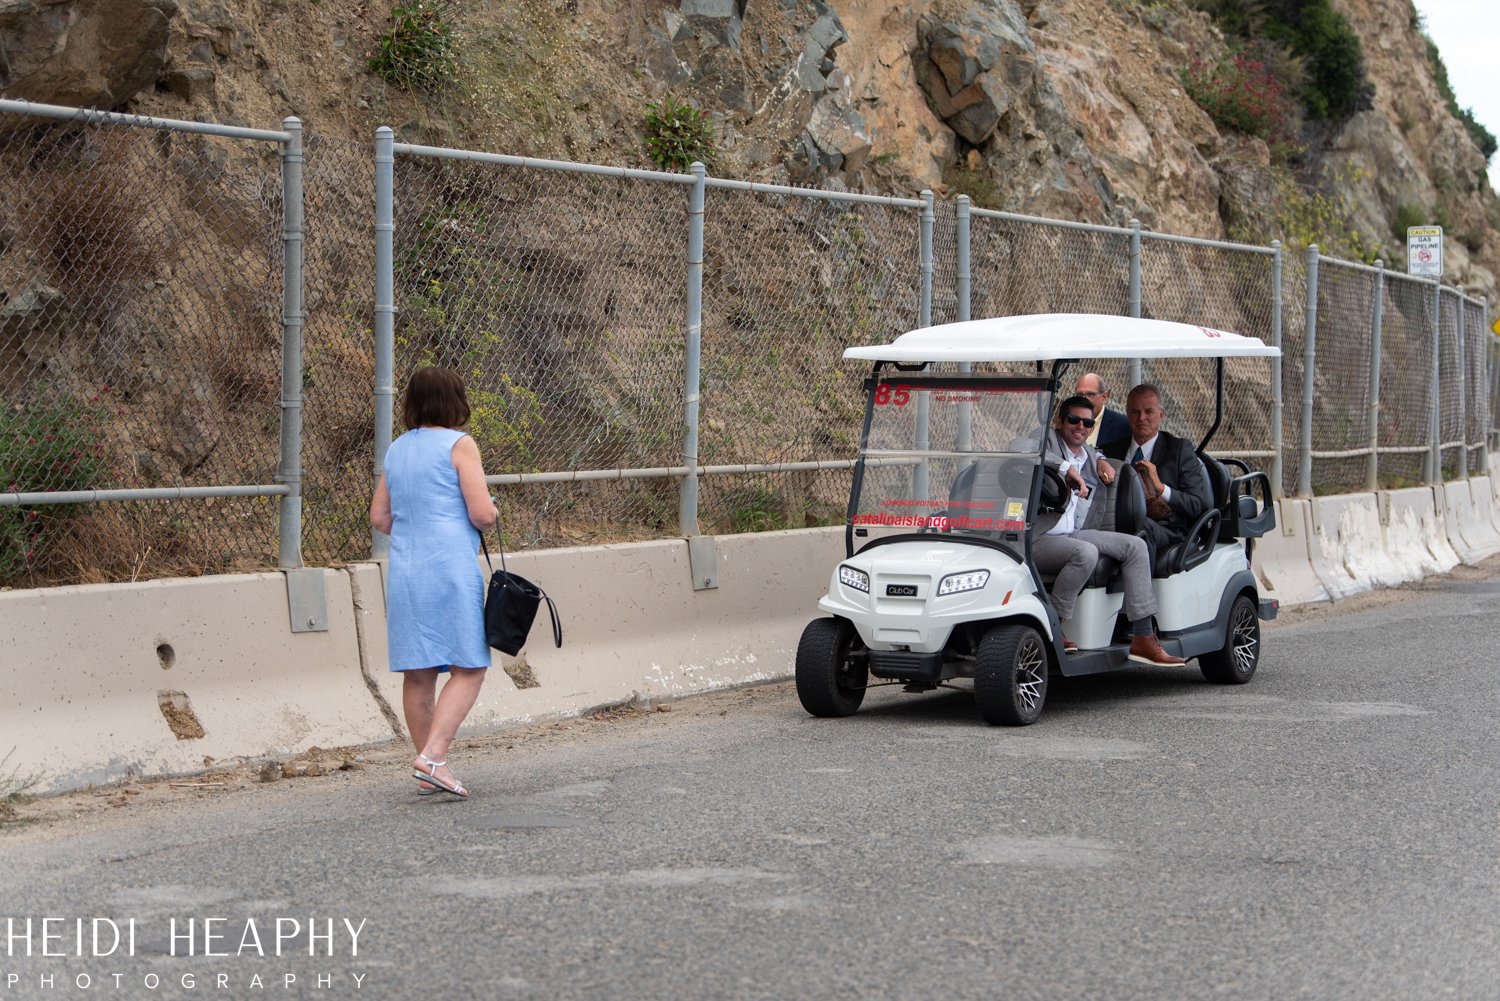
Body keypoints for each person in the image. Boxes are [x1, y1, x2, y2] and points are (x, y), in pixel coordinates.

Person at [370, 367, 499, 799]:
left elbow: (380, 518)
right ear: (455, 401)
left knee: (419, 671)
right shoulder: (460, 445)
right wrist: (492, 513)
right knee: (470, 665)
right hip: (449, 568)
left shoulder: (397, 450)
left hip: (407, 571)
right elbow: (481, 514)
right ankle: (434, 757)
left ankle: (429, 764)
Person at [1032, 395, 1186, 666]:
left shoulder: (1088, 452)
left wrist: (1101, 459)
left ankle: (1142, 637)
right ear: (1059, 421)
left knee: (1135, 546)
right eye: (1074, 420)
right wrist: (1066, 468)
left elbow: (1095, 453)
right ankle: (1053, 626)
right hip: (1038, 536)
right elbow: (1020, 446)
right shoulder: (1045, 442)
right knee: (1086, 553)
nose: (1081, 426)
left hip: (1073, 533)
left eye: (1088, 422)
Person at [1103, 384, 1213, 563]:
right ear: (1127, 414)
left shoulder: (1178, 450)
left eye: (1148, 412)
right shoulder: (1111, 450)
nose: (1142, 418)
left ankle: (1138, 589)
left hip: (1166, 528)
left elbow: (1196, 504)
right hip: (1115, 522)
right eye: (1135, 412)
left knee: (1141, 528)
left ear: (1161, 415)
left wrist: (1162, 489)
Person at [1074, 372, 1129, 450]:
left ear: (1104, 397)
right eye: (1079, 395)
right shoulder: (1068, 422)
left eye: (1090, 394)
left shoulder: (1123, 425)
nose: (1084, 399)